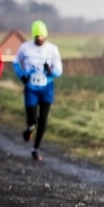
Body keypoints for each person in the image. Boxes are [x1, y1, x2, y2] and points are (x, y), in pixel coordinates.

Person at [13, 20, 63, 161]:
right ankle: (29, 129)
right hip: (31, 88)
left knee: (43, 119)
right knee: (32, 119)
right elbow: (16, 62)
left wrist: (51, 71)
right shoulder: (25, 48)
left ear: (45, 36)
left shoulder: (52, 49)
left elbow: (59, 70)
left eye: (41, 36)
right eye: (36, 37)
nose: (39, 39)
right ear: (33, 36)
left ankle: (36, 148)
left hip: (46, 87)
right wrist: (22, 75)